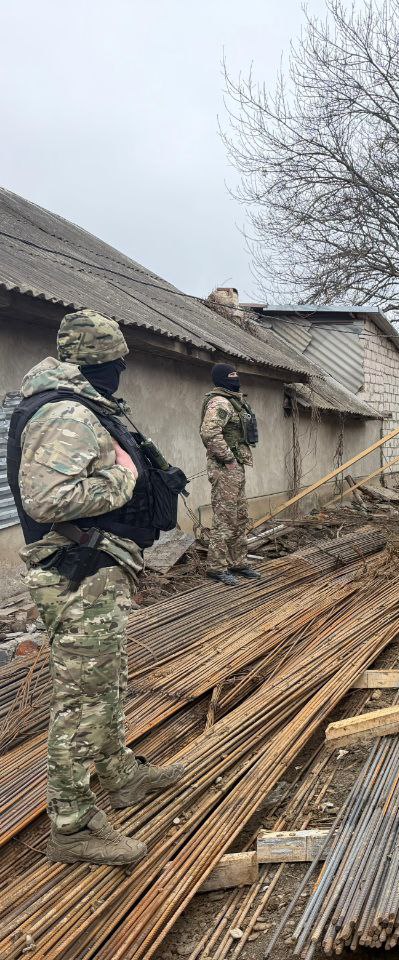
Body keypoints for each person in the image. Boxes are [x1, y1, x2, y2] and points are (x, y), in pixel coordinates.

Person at [8, 309, 186, 865]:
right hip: (76, 571)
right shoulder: (64, 411)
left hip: (96, 568)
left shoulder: (88, 405)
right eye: (115, 362)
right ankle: (72, 824)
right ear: (96, 363)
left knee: (106, 684)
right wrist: (123, 477)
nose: (120, 371)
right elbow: (47, 500)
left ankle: (120, 775)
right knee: (82, 700)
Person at [199, 363, 260, 585]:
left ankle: (238, 562)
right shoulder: (220, 402)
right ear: (222, 379)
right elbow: (209, 432)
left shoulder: (234, 401)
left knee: (239, 517)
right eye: (231, 376)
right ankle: (216, 567)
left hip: (235, 468)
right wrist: (228, 458)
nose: (235, 379)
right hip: (225, 468)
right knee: (225, 518)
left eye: (236, 375)